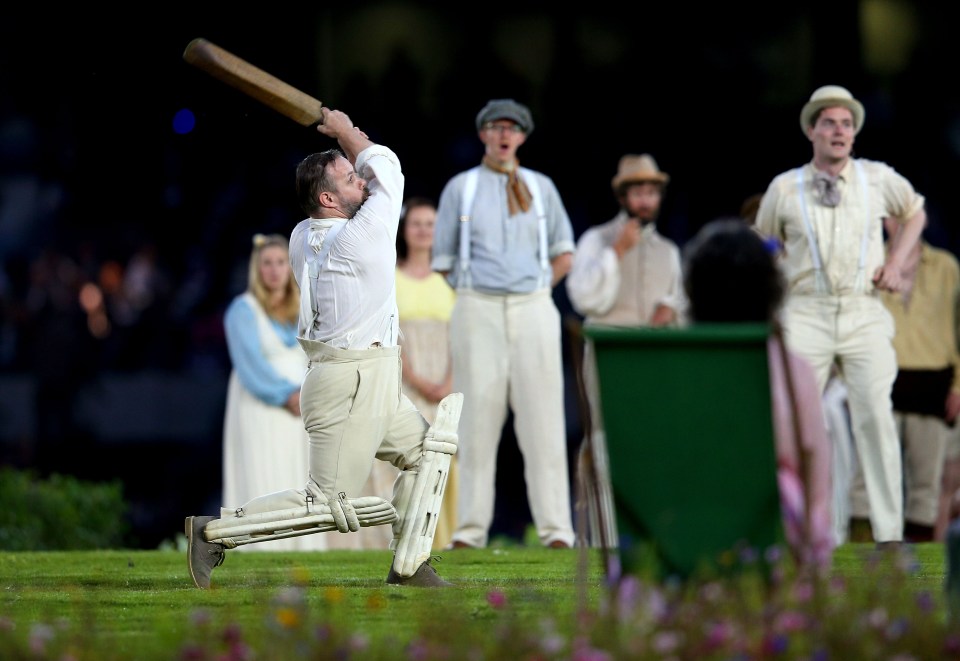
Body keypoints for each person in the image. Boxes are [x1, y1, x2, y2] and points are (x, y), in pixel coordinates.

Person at [185, 106, 463, 589]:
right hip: (352, 381)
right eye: (351, 180)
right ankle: (214, 532)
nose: (364, 184)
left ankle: (409, 561)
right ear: (329, 198)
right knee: (324, 502)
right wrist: (345, 130)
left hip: (360, 374)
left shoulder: (301, 235)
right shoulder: (358, 240)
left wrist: (344, 149)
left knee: (427, 454)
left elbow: (376, 179)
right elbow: (390, 170)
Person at [754, 84, 927, 548]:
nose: (839, 131)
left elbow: (915, 212)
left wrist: (896, 261)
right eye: (829, 122)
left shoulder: (876, 178)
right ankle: (800, 533)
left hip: (861, 307)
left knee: (875, 418)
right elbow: (764, 243)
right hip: (805, 309)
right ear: (812, 130)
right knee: (792, 419)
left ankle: (889, 535)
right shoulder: (785, 187)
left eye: (847, 124)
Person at [431, 98, 576, 549]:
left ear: (523, 136)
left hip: (533, 306)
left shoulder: (541, 186)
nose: (503, 135)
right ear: (483, 135)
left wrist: (534, 289)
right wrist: (476, 294)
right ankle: (471, 531)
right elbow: (445, 259)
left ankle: (556, 530)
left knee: (544, 421)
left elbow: (564, 252)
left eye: (511, 128)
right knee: (476, 421)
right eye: (495, 127)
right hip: (479, 306)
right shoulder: (462, 187)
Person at [683, 218, 835, 570]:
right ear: (770, 291)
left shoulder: (665, 370)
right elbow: (815, 474)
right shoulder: (790, 369)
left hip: (682, 531)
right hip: (773, 543)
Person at [565, 153, 685, 548]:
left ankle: (651, 531)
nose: (646, 200)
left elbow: (680, 301)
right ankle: (599, 536)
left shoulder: (669, 250)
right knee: (601, 439)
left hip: (654, 357)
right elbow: (584, 298)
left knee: (654, 441)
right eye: (639, 192)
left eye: (652, 192)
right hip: (607, 351)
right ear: (624, 196)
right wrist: (616, 252)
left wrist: (671, 308)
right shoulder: (597, 239)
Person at [848, 216, 960, 543]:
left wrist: (957, 387)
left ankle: (922, 584)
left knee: (928, 486)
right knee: (866, 480)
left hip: (932, 388)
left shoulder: (946, 266)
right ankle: (857, 580)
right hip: (880, 387)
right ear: (883, 222)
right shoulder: (867, 264)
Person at [221, 232, 325, 552]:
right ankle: (262, 546)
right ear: (257, 268)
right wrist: (287, 395)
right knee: (263, 471)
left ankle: (301, 545)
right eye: (267, 263)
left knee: (297, 474)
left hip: (301, 411)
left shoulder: (304, 310)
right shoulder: (244, 310)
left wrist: (307, 395)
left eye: (281, 262)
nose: (274, 270)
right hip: (262, 409)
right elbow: (250, 365)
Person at [395, 196, 458, 550]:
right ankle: (404, 536)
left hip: (445, 381)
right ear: (405, 229)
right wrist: (415, 378)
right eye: (416, 223)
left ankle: (442, 537)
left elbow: (462, 333)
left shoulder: (451, 279)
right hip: (406, 379)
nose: (423, 230)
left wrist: (449, 381)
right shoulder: (391, 275)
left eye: (430, 224)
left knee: (443, 455)